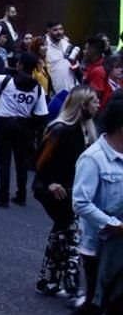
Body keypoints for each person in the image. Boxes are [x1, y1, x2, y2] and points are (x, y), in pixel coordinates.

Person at [43, 99, 123, 315]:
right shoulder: (94, 159)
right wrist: (112, 224)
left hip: (121, 246)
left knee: (118, 306)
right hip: (99, 247)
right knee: (97, 303)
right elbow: (80, 202)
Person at [32, 86, 98, 300]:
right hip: (54, 190)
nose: (98, 105)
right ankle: (71, 287)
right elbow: (38, 162)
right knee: (71, 234)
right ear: (82, 105)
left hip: (72, 191)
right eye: (94, 101)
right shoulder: (60, 129)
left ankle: (49, 280)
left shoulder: (86, 129)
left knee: (62, 232)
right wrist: (50, 183)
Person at [0, 52, 49, 208]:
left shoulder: (7, 81)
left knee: (5, 162)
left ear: (19, 65)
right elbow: (42, 114)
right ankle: (21, 195)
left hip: (5, 124)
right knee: (21, 163)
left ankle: (3, 196)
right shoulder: (38, 89)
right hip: (24, 127)